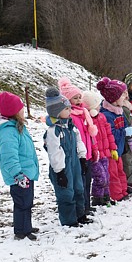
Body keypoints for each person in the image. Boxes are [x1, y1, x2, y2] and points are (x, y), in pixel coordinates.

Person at [0, 91, 39, 241]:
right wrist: (18, 174)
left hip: (26, 174)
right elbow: (9, 158)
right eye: (21, 110)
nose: (24, 112)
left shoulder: (18, 128)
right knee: (22, 203)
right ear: (14, 113)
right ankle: (21, 231)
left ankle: (26, 226)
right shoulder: (8, 133)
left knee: (27, 202)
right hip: (19, 176)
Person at [43, 87, 89, 227]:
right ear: (57, 112)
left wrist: (82, 158)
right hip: (62, 166)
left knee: (78, 188)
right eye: (66, 109)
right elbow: (54, 152)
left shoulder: (71, 127)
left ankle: (80, 214)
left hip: (74, 161)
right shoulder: (53, 131)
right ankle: (69, 220)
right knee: (66, 193)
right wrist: (60, 172)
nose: (70, 111)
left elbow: (79, 142)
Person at [59, 78, 98, 215]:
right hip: (78, 154)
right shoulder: (72, 117)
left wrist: (94, 148)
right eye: (75, 98)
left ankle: (86, 204)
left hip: (87, 152)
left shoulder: (84, 113)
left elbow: (90, 134)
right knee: (79, 182)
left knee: (88, 180)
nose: (78, 100)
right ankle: (81, 207)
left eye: (79, 97)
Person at [97, 77, 130, 201]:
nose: (125, 98)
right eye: (122, 95)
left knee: (121, 170)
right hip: (111, 151)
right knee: (113, 173)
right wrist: (123, 131)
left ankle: (123, 190)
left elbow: (124, 124)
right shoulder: (107, 115)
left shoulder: (119, 111)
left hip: (119, 149)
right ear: (114, 98)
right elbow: (111, 133)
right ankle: (116, 194)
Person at [82, 90, 114, 207]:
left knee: (106, 176)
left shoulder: (102, 117)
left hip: (104, 153)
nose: (99, 107)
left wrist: (112, 148)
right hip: (95, 156)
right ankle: (97, 198)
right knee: (100, 177)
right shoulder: (87, 121)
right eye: (97, 105)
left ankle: (106, 197)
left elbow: (108, 133)